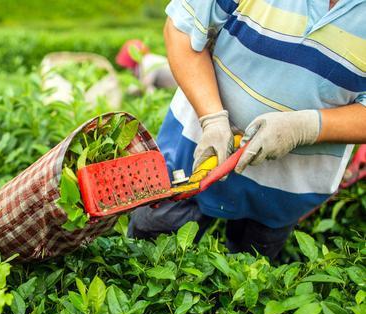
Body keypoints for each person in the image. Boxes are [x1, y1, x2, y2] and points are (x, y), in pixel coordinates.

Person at [128, 0, 366, 260]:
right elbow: (182, 28)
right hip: (194, 153)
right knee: (149, 250)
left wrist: (306, 127)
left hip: (285, 188)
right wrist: (212, 118)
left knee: (250, 270)